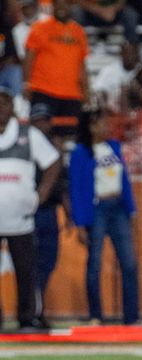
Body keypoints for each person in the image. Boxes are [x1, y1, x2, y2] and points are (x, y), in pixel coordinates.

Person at [69, 108, 140, 325]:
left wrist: (131, 209)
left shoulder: (114, 147)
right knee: (95, 263)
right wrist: (80, 223)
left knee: (129, 263)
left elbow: (124, 180)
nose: (107, 126)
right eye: (102, 123)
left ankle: (131, 317)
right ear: (91, 127)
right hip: (97, 208)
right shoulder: (80, 152)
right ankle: (95, 315)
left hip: (117, 206)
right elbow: (77, 189)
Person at [0, 87, 60, 331]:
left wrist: (41, 193)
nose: (1, 108)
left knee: (26, 271)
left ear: (12, 107)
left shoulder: (29, 134)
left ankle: (29, 317)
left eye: (4, 103)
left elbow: (53, 161)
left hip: (21, 218)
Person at [30, 102, 69, 328]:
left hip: (50, 212)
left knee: (48, 262)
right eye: (38, 121)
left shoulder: (54, 148)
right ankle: (34, 310)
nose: (42, 125)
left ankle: (38, 308)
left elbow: (61, 185)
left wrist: (68, 213)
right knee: (33, 264)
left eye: (45, 120)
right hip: (32, 212)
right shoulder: (26, 146)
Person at [23, 0, 89, 136]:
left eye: (65, 3)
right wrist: (26, 84)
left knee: (69, 136)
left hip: (71, 94)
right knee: (40, 132)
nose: (61, 7)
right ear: (52, 6)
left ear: (71, 5)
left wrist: (86, 92)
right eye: (57, 3)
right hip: (43, 90)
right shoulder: (39, 27)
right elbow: (29, 58)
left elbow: (81, 64)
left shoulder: (79, 32)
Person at [92, 41, 141, 113]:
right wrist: (105, 108)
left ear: (137, 55)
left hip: (137, 111)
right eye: (127, 53)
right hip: (112, 111)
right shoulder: (109, 70)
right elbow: (98, 90)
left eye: (133, 53)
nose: (130, 56)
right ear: (121, 54)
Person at [72, 0, 140, 44]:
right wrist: (98, 10)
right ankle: (77, 45)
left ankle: (130, 47)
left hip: (113, 12)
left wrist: (113, 9)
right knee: (76, 12)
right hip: (92, 12)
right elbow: (80, 1)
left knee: (130, 13)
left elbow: (122, 1)